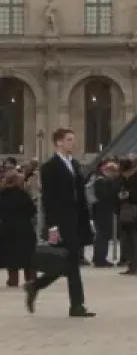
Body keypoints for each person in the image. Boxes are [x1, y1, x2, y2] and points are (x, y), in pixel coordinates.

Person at [25, 129, 94, 318]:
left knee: (68, 262)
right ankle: (76, 305)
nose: (73, 143)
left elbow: (79, 195)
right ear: (58, 142)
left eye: (73, 139)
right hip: (62, 222)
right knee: (71, 263)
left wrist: (86, 220)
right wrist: (53, 225)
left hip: (76, 220)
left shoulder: (74, 164)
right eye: (69, 140)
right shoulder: (50, 167)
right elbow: (49, 199)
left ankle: (36, 285)